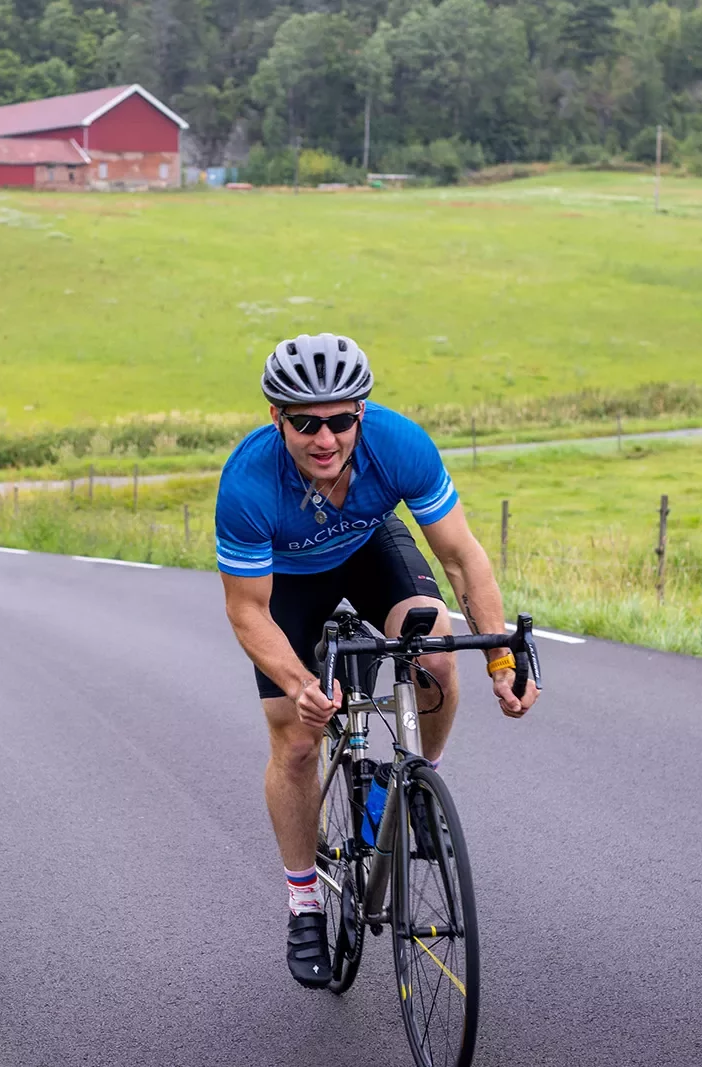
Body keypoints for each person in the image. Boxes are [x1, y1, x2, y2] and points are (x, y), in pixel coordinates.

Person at [215, 332, 539, 989]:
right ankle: (304, 900)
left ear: (362, 411)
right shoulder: (248, 482)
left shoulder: (399, 444)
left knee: (437, 657)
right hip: (289, 579)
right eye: (306, 422)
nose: (326, 438)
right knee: (297, 740)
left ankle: (414, 781)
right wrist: (301, 682)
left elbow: (461, 557)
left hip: (368, 547)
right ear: (277, 418)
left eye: (341, 419)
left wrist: (500, 657)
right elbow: (248, 610)